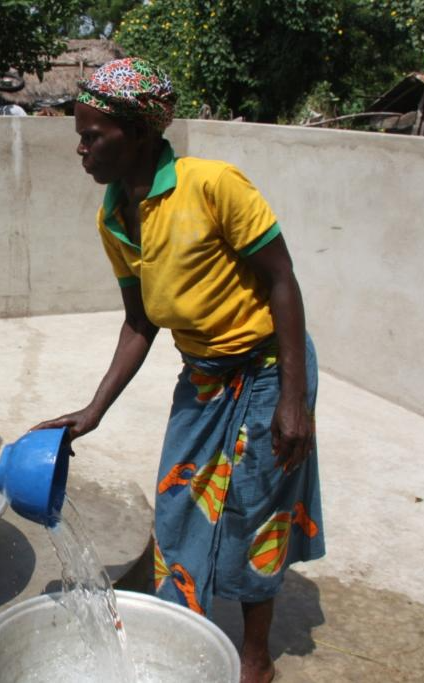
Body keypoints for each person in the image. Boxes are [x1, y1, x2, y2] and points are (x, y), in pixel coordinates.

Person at [35, 58, 325, 683]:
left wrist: (293, 398)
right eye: (80, 136)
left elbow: (282, 279)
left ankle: (254, 657)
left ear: (139, 133)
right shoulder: (114, 216)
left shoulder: (213, 185)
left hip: (269, 368)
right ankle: (184, 633)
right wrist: (92, 412)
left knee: (253, 510)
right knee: (178, 501)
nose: (81, 149)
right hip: (203, 374)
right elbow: (140, 321)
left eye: (92, 136)